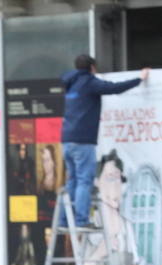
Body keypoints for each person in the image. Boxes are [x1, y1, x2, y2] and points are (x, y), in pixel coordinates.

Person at [60, 55, 149, 227]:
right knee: (84, 181)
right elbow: (115, 88)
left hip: (67, 140)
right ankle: (81, 220)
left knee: (72, 181)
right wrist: (140, 79)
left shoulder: (71, 83)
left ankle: (64, 220)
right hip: (83, 141)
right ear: (92, 67)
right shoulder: (89, 82)